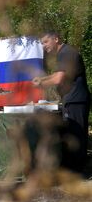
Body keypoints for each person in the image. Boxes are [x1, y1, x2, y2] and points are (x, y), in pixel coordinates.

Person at [32, 32, 90, 174]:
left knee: (76, 136)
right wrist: (43, 79)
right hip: (73, 100)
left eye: (46, 42)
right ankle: (77, 170)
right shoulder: (64, 53)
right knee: (74, 134)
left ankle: (77, 173)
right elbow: (58, 74)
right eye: (42, 43)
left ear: (56, 39)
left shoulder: (66, 53)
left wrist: (42, 84)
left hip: (75, 100)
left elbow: (58, 79)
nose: (44, 46)